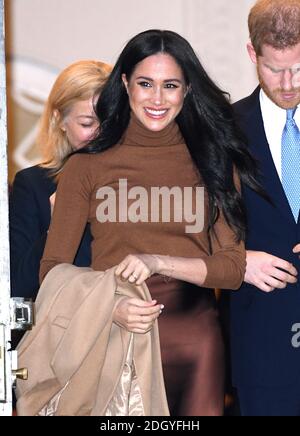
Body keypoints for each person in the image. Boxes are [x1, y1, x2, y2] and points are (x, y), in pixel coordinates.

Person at [40, 29, 262, 416]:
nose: (157, 99)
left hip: (197, 347)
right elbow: (52, 270)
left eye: (170, 85)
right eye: (146, 83)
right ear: (125, 84)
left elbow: (231, 268)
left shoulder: (213, 161)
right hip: (117, 337)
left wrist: (158, 261)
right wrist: (107, 308)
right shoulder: (86, 166)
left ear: (187, 89)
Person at [230, 0, 300, 416]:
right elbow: (192, 223)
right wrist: (235, 260)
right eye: (275, 69)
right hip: (261, 338)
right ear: (252, 53)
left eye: (299, 67)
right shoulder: (222, 129)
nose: (289, 82)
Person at [9, 60, 112, 301]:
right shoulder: (34, 185)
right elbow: (16, 289)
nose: (101, 134)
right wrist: (57, 229)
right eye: (87, 123)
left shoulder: (137, 182)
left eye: (110, 122)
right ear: (60, 120)